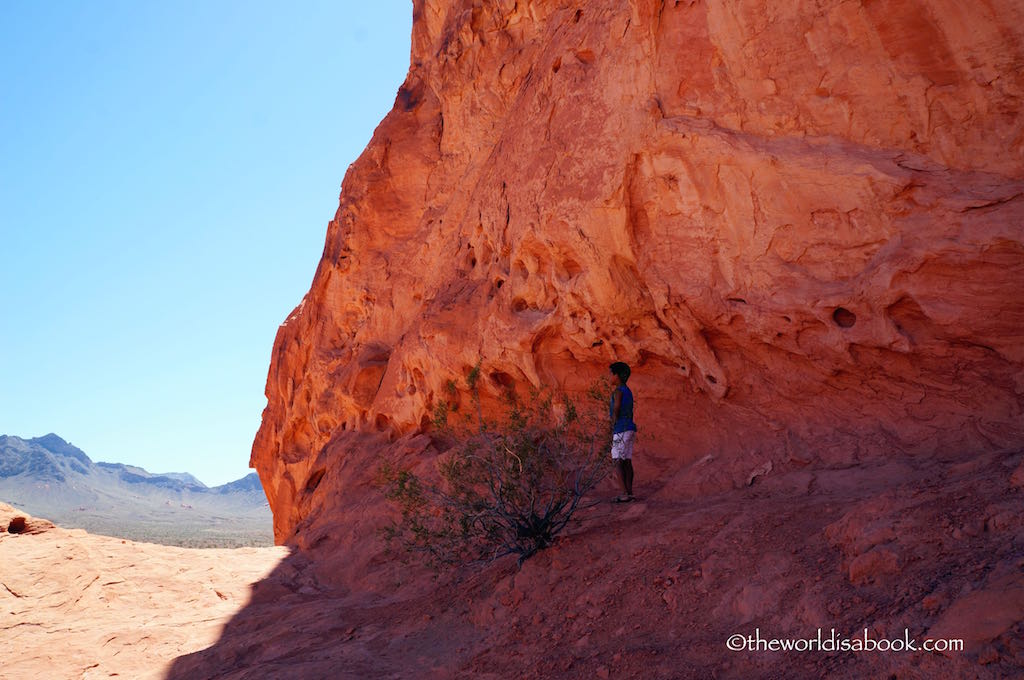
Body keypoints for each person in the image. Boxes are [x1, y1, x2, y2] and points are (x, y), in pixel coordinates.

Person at [608, 361, 637, 502]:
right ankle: (629, 492)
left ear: (617, 375)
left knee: (617, 460)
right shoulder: (628, 390)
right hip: (630, 427)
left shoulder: (618, 391)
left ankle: (624, 493)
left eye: (611, 374)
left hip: (621, 428)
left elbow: (617, 408)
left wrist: (613, 424)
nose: (609, 377)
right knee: (626, 461)